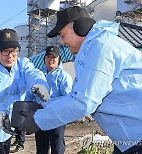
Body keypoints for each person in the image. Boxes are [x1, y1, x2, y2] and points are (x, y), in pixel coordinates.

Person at [18, 6, 142, 154]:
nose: (62, 42)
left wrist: (38, 120)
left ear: (78, 27)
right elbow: (74, 96)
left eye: (62, 35)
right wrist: (43, 108)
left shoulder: (101, 47)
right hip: (130, 138)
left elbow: (84, 102)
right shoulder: (91, 50)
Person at [0, 28, 49, 154]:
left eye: (14, 51)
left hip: (6, 135)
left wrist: (40, 84)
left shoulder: (22, 65)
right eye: (6, 51)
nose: (11, 56)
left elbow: (33, 74)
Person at [35, 46, 73, 154]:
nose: (50, 59)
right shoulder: (38, 74)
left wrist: (51, 104)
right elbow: (31, 93)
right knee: (41, 146)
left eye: (54, 57)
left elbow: (67, 97)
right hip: (40, 115)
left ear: (59, 59)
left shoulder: (64, 76)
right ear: (44, 58)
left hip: (57, 115)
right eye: (48, 57)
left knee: (57, 146)